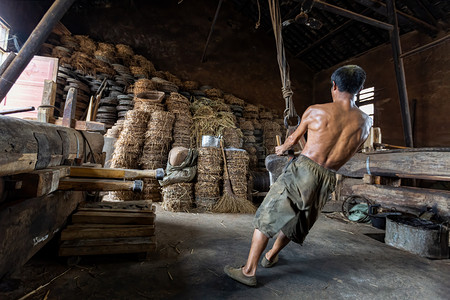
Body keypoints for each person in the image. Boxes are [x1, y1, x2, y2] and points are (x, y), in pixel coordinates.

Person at [224, 65, 373, 287]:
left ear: (334, 86)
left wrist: (282, 148)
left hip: (304, 169)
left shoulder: (316, 111)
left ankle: (248, 271)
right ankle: (271, 255)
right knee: (298, 220)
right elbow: (349, 149)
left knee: (269, 215)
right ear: (358, 90)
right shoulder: (366, 121)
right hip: (328, 177)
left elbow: (293, 140)